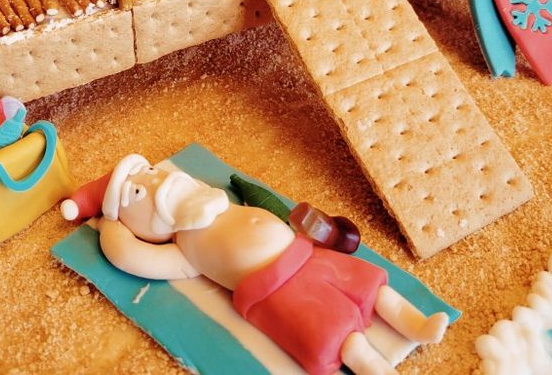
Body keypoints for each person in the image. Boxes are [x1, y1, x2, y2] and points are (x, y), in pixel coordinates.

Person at [62, 154, 449, 375]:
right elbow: (130, 257)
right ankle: (375, 369)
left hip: (304, 254)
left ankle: (415, 324)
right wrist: (111, 229)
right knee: (335, 331)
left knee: (370, 286)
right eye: (138, 192)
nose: (158, 183)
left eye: (150, 173)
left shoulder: (207, 199)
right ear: (137, 226)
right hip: (274, 289)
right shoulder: (182, 253)